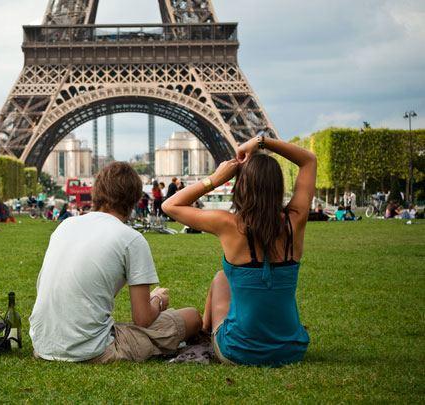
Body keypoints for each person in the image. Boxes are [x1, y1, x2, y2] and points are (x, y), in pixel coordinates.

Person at [162, 135, 316, 366]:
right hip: (290, 350)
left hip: (238, 350)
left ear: (241, 185)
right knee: (224, 278)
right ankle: (206, 333)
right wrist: (262, 141)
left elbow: (169, 205)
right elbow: (309, 160)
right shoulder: (295, 222)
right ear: (278, 185)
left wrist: (214, 180)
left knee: (221, 278)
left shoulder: (228, 225)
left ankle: (204, 335)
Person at [30, 162, 201, 363]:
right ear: (134, 199)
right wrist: (158, 300)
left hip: (42, 344)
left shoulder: (64, 226)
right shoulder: (131, 239)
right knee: (192, 316)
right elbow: (143, 319)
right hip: (90, 350)